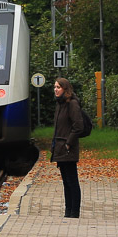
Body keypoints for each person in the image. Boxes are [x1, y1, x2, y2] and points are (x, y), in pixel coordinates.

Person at [51, 77, 83, 218]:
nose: (56, 89)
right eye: (55, 87)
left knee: (72, 180)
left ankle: (74, 212)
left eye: (58, 87)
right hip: (60, 147)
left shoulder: (72, 104)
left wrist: (68, 143)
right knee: (65, 181)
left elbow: (78, 127)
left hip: (67, 148)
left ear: (65, 89)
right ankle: (68, 211)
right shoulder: (60, 104)